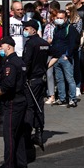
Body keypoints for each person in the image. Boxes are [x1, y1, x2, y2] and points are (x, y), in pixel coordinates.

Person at [0, 37, 29, 168]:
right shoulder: (19, 61)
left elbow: (9, 83)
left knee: (9, 134)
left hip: (12, 101)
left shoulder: (10, 63)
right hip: (21, 100)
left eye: (1, 46)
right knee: (18, 132)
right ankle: (21, 161)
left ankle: (9, 164)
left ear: (9, 46)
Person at [22, 20, 49, 151]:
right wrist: (46, 67)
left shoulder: (30, 44)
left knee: (30, 107)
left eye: (26, 28)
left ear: (33, 29)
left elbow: (26, 63)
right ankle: (39, 133)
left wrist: (22, 76)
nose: (24, 30)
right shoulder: (44, 43)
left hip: (31, 79)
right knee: (39, 105)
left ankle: (27, 135)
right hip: (42, 79)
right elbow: (56, 54)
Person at [49, 9, 79, 107]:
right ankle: (61, 98)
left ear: (65, 18)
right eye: (57, 18)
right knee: (59, 79)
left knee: (69, 79)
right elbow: (54, 42)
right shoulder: (56, 29)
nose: (59, 20)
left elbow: (74, 42)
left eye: (61, 18)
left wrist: (68, 55)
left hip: (65, 57)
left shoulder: (70, 28)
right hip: (56, 57)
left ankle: (72, 99)